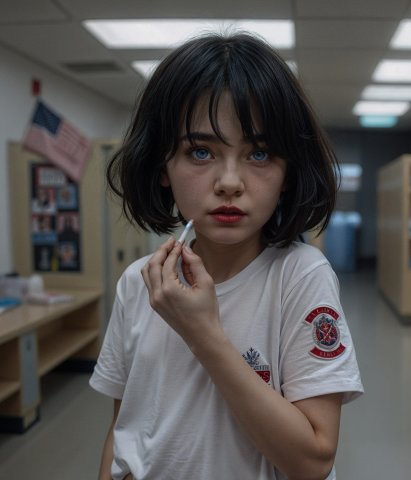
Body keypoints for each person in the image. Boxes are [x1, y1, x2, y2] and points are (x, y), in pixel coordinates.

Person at [90, 31, 363, 480]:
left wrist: (203, 333)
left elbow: (313, 459)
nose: (230, 182)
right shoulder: (140, 283)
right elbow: (124, 432)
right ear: (163, 167)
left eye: (258, 153)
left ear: (288, 170)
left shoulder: (299, 275)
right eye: (201, 151)